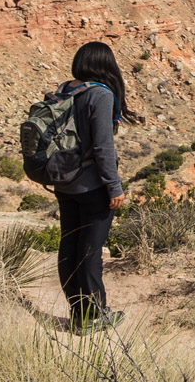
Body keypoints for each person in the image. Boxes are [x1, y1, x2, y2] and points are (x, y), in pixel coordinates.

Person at [50, 41, 139, 333]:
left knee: (69, 247)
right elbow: (103, 147)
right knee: (90, 251)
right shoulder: (99, 94)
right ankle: (95, 315)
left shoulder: (66, 88)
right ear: (106, 65)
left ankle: (78, 314)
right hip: (91, 187)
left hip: (65, 182)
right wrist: (114, 187)